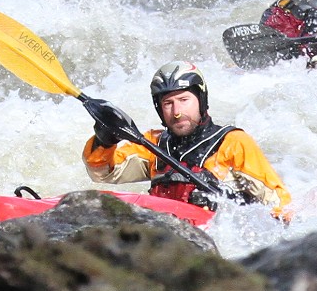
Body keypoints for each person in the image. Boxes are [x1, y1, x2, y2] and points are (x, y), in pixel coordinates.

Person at [82, 61, 292, 222]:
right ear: (159, 109)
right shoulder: (152, 144)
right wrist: (105, 139)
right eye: (168, 104)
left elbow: (279, 204)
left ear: (201, 101)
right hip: (167, 236)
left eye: (184, 100)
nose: (177, 113)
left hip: (216, 237)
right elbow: (102, 172)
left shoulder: (233, 143)